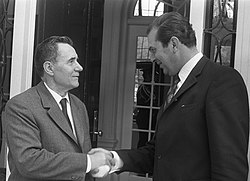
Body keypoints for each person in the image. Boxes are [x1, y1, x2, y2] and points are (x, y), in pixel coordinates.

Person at [90, 12, 249, 180]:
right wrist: (114, 159)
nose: (151, 58)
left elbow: (230, 168)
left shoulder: (221, 81)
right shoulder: (177, 86)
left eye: (153, 50)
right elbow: (159, 153)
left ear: (174, 44)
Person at [2, 36, 113, 181]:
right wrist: (89, 162)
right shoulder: (21, 106)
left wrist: (94, 167)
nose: (79, 67)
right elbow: (29, 162)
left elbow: (82, 158)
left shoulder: (79, 106)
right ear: (49, 68)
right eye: (71, 61)